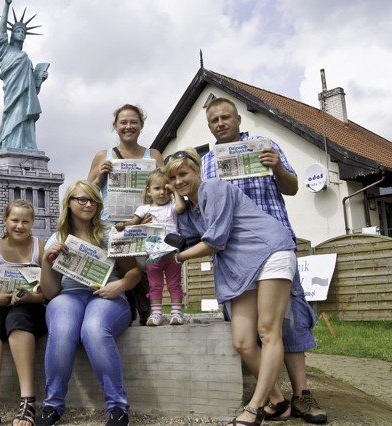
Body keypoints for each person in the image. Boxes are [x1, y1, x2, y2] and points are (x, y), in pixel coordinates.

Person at [201, 97, 327, 424]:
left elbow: (294, 187)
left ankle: (302, 395)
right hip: (233, 252)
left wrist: (278, 167)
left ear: (238, 118)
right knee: (248, 331)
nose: (220, 123)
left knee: (290, 320)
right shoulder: (207, 161)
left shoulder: (265, 145)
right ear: (209, 125)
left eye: (225, 117)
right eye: (214, 120)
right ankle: (275, 398)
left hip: (274, 243)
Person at [165, 149, 296, 426]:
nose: (179, 181)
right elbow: (188, 240)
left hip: (269, 251)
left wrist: (177, 258)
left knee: (267, 332)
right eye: (173, 177)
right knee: (243, 342)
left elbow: (214, 241)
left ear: (197, 172)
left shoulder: (213, 188)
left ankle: (255, 407)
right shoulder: (190, 210)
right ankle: (279, 403)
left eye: (183, 174)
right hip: (240, 268)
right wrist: (177, 207)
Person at [36, 180, 141, 426]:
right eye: (81, 199)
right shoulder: (58, 237)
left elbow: (134, 273)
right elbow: (50, 293)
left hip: (107, 296)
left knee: (93, 330)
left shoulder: (110, 233)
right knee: (62, 330)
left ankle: (117, 408)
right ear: (69, 203)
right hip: (69, 296)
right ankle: (52, 406)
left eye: (93, 200)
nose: (88, 204)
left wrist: (119, 286)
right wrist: (46, 260)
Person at [0, 200, 47, 426]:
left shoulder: (40, 248)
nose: (20, 226)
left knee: (17, 318)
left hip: (32, 308)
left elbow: (49, 293)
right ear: (5, 221)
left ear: (32, 223)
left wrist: (30, 296)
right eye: (15, 220)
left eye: (25, 221)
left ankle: (28, 401)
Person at [88, 103, 164, 325]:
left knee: (147, 277)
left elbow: (163, 190)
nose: (128, 126)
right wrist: (100, 176)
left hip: (144, 225)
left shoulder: (155, 155)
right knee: (117, 277)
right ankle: (120, 317)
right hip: (110, 227)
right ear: (115, 126)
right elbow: (86, 192)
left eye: (133, 122)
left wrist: (156, 212)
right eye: (123, 122)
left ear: (141, 125)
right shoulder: (103, 155)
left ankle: (147, 317)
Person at [115, 169, 186, 326]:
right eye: (157, 188)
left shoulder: (173, 207)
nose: (162, 192)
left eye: (166, 189)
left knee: (174, 284)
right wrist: (123, 225)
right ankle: (155, 313)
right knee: (155, 284)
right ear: (148, 190)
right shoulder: (144, 209)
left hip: (173, 254)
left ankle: (177, 313)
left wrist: (175, 191)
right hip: (153, 254)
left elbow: (181, 207)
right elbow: (133, 223)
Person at [0, 0, 49, 151]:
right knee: (13, 116)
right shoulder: (4, 51)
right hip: (12, 94)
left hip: (25, 97)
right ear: (12, 34)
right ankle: (10, 144)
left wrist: (40, 79)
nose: (22, 34)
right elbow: (1, 31)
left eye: (24, 32)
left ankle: (26, 145)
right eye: (18, 31)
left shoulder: (27, 59)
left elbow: (33, 89)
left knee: (26, 120)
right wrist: (6, 5)